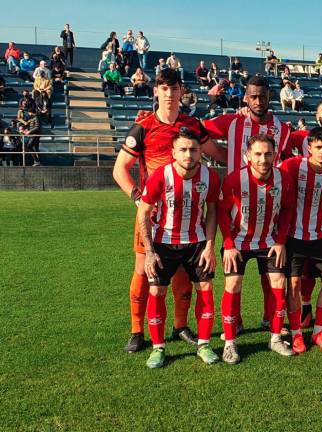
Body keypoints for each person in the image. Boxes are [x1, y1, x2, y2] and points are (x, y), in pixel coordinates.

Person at [112, 68, 222, 354]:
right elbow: (120, 169)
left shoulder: (192, 126)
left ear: (181, 92)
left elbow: (218, 154)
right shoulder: (144, 127)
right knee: (143, 270)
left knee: (184, 276)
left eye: (174, 89)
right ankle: (137, 330)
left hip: (188, 217)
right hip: (153, 218)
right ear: (156, 92)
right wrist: (138, 198)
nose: (170, 95)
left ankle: (180, 325)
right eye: (164, 89)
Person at [137, 127, 220, 368]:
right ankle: (158, 348)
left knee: (205, 288)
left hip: (197, 242)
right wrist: (150, 251)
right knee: (157, 292)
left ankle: (204, 344)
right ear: (173, 152)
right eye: (183, 149)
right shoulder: (160, 176)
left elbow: (212, 211)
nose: (188, 154)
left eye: (193, 149)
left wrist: (210, 246)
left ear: (200, 152)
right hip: (163, 243)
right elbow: (143, 213)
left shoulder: (210, 177)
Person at [217, 134, 297, 359]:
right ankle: (230, 342)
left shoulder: (284, 179)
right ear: (247, 156)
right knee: (233, 284)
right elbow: (222, 211)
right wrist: (229, 244)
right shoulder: (234, 180)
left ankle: (275, 338)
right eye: (258, 154)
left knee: (279, 282)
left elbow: (288, 210)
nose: (263, 159)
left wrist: (280, 241)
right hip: (238, 242)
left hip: (269, 241)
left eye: (268, 154)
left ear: (275, 155)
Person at [280, 127, 322, 353]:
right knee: (294, 284)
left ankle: (319, 332)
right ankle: (297, 334)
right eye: (318, 147)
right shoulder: (293, 165)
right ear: (309, 148)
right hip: (293, 235)